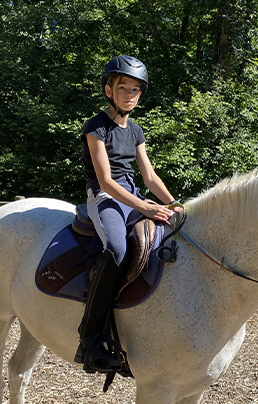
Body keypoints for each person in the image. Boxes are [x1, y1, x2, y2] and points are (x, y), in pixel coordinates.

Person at [75, 55, 179, 373]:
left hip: (131, 195)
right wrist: (146, 206)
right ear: (109, 89)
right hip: (103, 197)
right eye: (123, 88)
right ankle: (90, 337)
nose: (130, 94)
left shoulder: (135, 130)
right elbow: (105, 180)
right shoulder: (96, 127)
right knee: (116, 248)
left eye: (135, 89)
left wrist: (174, 205)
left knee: (165, 238)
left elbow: (148, 176)